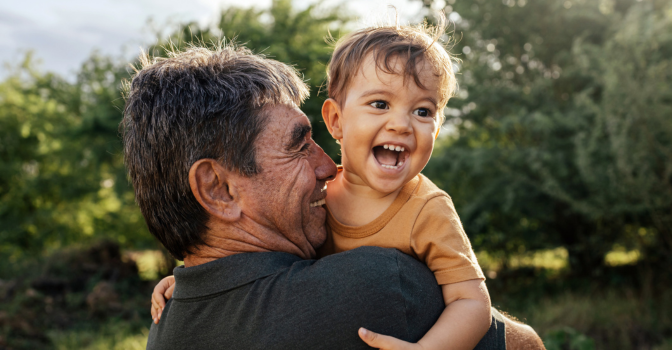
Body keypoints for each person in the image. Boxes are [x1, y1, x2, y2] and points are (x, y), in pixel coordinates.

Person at [125, 44, 544, 349]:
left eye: (423, 111)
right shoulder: (379, 284)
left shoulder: (167, 328)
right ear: (219, 189)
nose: (328, 168)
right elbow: (525, 344)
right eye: (298, 146)